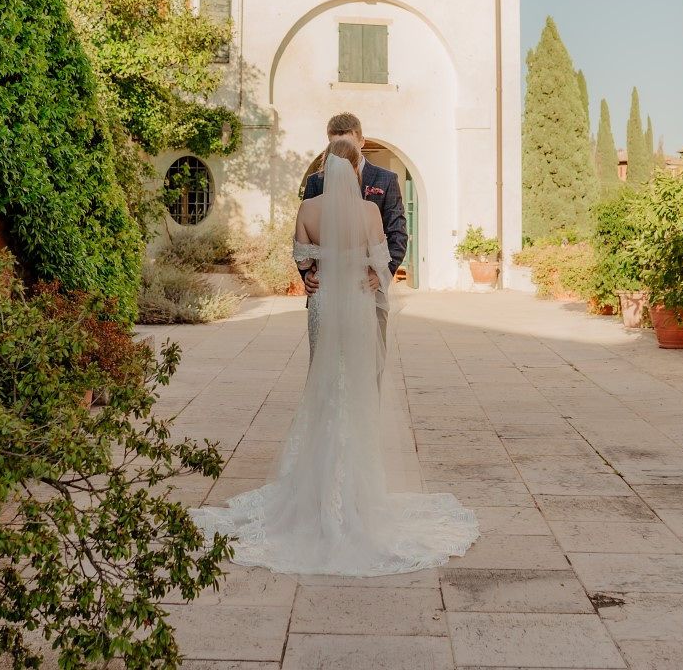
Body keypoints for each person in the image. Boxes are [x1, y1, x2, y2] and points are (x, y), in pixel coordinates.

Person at [191, 138, 477, 576]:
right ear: (356, 171)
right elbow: (383, 262)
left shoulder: (308, 210)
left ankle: (316, 491)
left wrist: (311, 276)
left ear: (324, 169)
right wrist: (366, 275)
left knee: (323, 386)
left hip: (325, 305)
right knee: (358, 388)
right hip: (358, 306)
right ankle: (359, 496)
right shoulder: (369, 212)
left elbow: (301, 258)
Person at [298, 113, 406, 385]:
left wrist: (381, 274)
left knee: (371, 366)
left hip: (367, 288)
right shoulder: (315, 181)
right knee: (325, 366)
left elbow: (397, 234)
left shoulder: (386, 179)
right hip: (327, 289)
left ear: (362, 141)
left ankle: (367, 423)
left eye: (347, 145)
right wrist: (308, 276)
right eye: (334, 146)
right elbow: (307, 244)